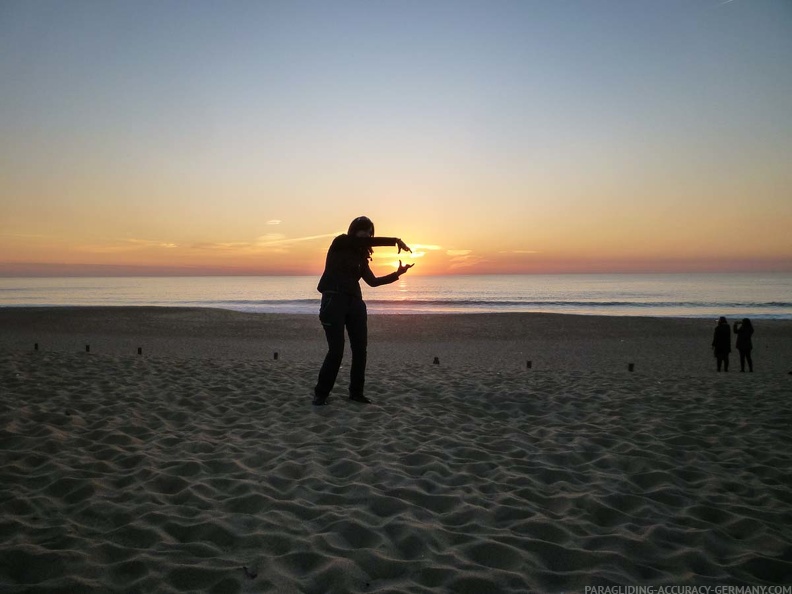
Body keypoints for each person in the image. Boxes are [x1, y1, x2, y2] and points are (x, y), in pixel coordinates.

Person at [313, 216, 414, 406]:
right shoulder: (340, 242)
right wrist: (395, 241)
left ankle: (356, 393)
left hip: (356, 304)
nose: (368, 235)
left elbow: (372, 282)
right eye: (364, 231)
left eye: (370, 233)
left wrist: (397, 274)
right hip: (334, 300)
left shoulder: (361, 257)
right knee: (336, 351)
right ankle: (321, 393)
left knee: (360, 351)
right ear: (354, 230)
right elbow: (362, 241)